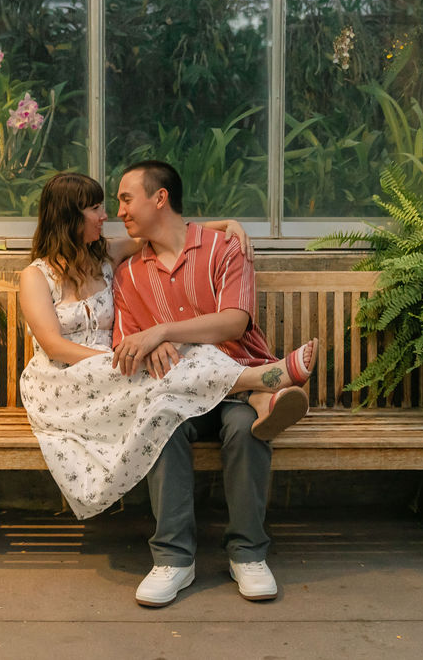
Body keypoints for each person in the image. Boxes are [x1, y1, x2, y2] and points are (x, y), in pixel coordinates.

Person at [18, 172, 316, 528]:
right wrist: (125, 358)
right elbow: (54, 345)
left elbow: (169, 229)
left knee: (174, 352)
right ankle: (260, 381)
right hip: (65, 382)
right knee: (171, 357)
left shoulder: (105, 255)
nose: (106, 215)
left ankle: (256, 389)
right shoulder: (35, 276)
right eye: (95, 208)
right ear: (68, 216)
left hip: (116, 372)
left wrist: (227, 224)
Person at [112, 160, 305, 608]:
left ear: (159, 197)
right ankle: (174, 560)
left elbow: (234, 322)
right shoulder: (129, 272)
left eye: (125, 198)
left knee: (246, 428)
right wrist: (148, 345)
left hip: (235, 381)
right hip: (177, 392)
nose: (117, 210)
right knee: (160, 421)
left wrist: (161, 332)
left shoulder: (224, 249)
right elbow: (127, 344)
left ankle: (248, 554)